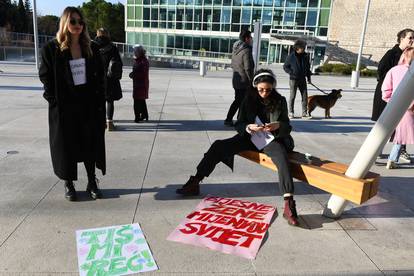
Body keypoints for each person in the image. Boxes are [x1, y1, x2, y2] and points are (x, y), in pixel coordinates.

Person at [176, 69, 299, 226]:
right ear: (255, 86)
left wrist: (278, 125)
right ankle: (196, 181)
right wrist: (248, 127)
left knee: (281, 157)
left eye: (268, 89)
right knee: (219, 146)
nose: (264, 93)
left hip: (271, 140)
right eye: (261, 89)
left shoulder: (280, 100)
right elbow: (239, 122)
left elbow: (287, 126)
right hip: (250, 137)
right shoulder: (248, 99)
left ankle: (288, 203)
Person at [39, 7, 106, 201]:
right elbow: (45, 77)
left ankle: (92, 181)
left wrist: (100, 100)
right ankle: (68, 183)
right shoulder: (51, 49)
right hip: (65, 107)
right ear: (65, 23)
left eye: (80, 21)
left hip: (88, 105)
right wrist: (54, 100)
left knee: (89, 144)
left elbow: (99, 76)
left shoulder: (91, 47)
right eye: (73, 21)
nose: (77, 25)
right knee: (67, 147)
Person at [372, 28, 414, 162]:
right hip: (387, 95)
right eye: (410, 38)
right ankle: (376, 150)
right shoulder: (392, 53)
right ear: (402, 39)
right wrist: (393, 82)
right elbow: (381, 72)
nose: (412, 40)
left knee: (403, 124)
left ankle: (401, 150)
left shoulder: (411, 54)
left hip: (403, 97)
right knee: (384, 125)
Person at [382, 47, 414, 169]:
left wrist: (395, 103)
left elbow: (385, 92)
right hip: (410, 109)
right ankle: (391, 159)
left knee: (400, 136)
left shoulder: (393, 71)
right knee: (401, 136)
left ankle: (391, 159)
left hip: (397, 108)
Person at [94, 27, 123, 131]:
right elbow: (119, 64)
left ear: (97, 34)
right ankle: (109, 122)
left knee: (98, 101)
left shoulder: (92, 46)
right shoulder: (112, 47)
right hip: (110, 78)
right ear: (107, 35)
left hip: (96, 78)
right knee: (110, 101)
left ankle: (100, 122)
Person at [224, 29, 254, 127]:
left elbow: (233, 64)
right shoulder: (246, 50)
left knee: (239, 100)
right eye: (250, 37)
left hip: (236, 79)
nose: (251, 39)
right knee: (240, 101)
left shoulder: (236, 49)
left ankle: (237, 120)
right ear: (246, 38)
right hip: (244, 81)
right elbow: (248, 67)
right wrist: (252, 80)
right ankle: (231, 120)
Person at [283, 39, 312, 119]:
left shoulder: (306, 56)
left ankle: (304, 113)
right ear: (297, 48)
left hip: (302, 79)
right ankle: (291, 112)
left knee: (305, 96)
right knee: (292, 96)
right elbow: (285, 67)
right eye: (303, 47)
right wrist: (291, 72)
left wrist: (309, 78)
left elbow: (308, 68)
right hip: (293, 79)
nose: (304, 49)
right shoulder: (291, 56)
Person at [129, 45, 149, 122]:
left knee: (137, 101)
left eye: (135, 51)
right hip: (137, 83)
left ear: (140, 52)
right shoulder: (137, 60)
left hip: (141, 84)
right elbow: (137, 71)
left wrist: (134, 75)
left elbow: (143, 73)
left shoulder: (143, 61)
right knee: (140, 100)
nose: (134, 52)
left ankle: (137, 117)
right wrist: (133, 74)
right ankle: (144, 115)